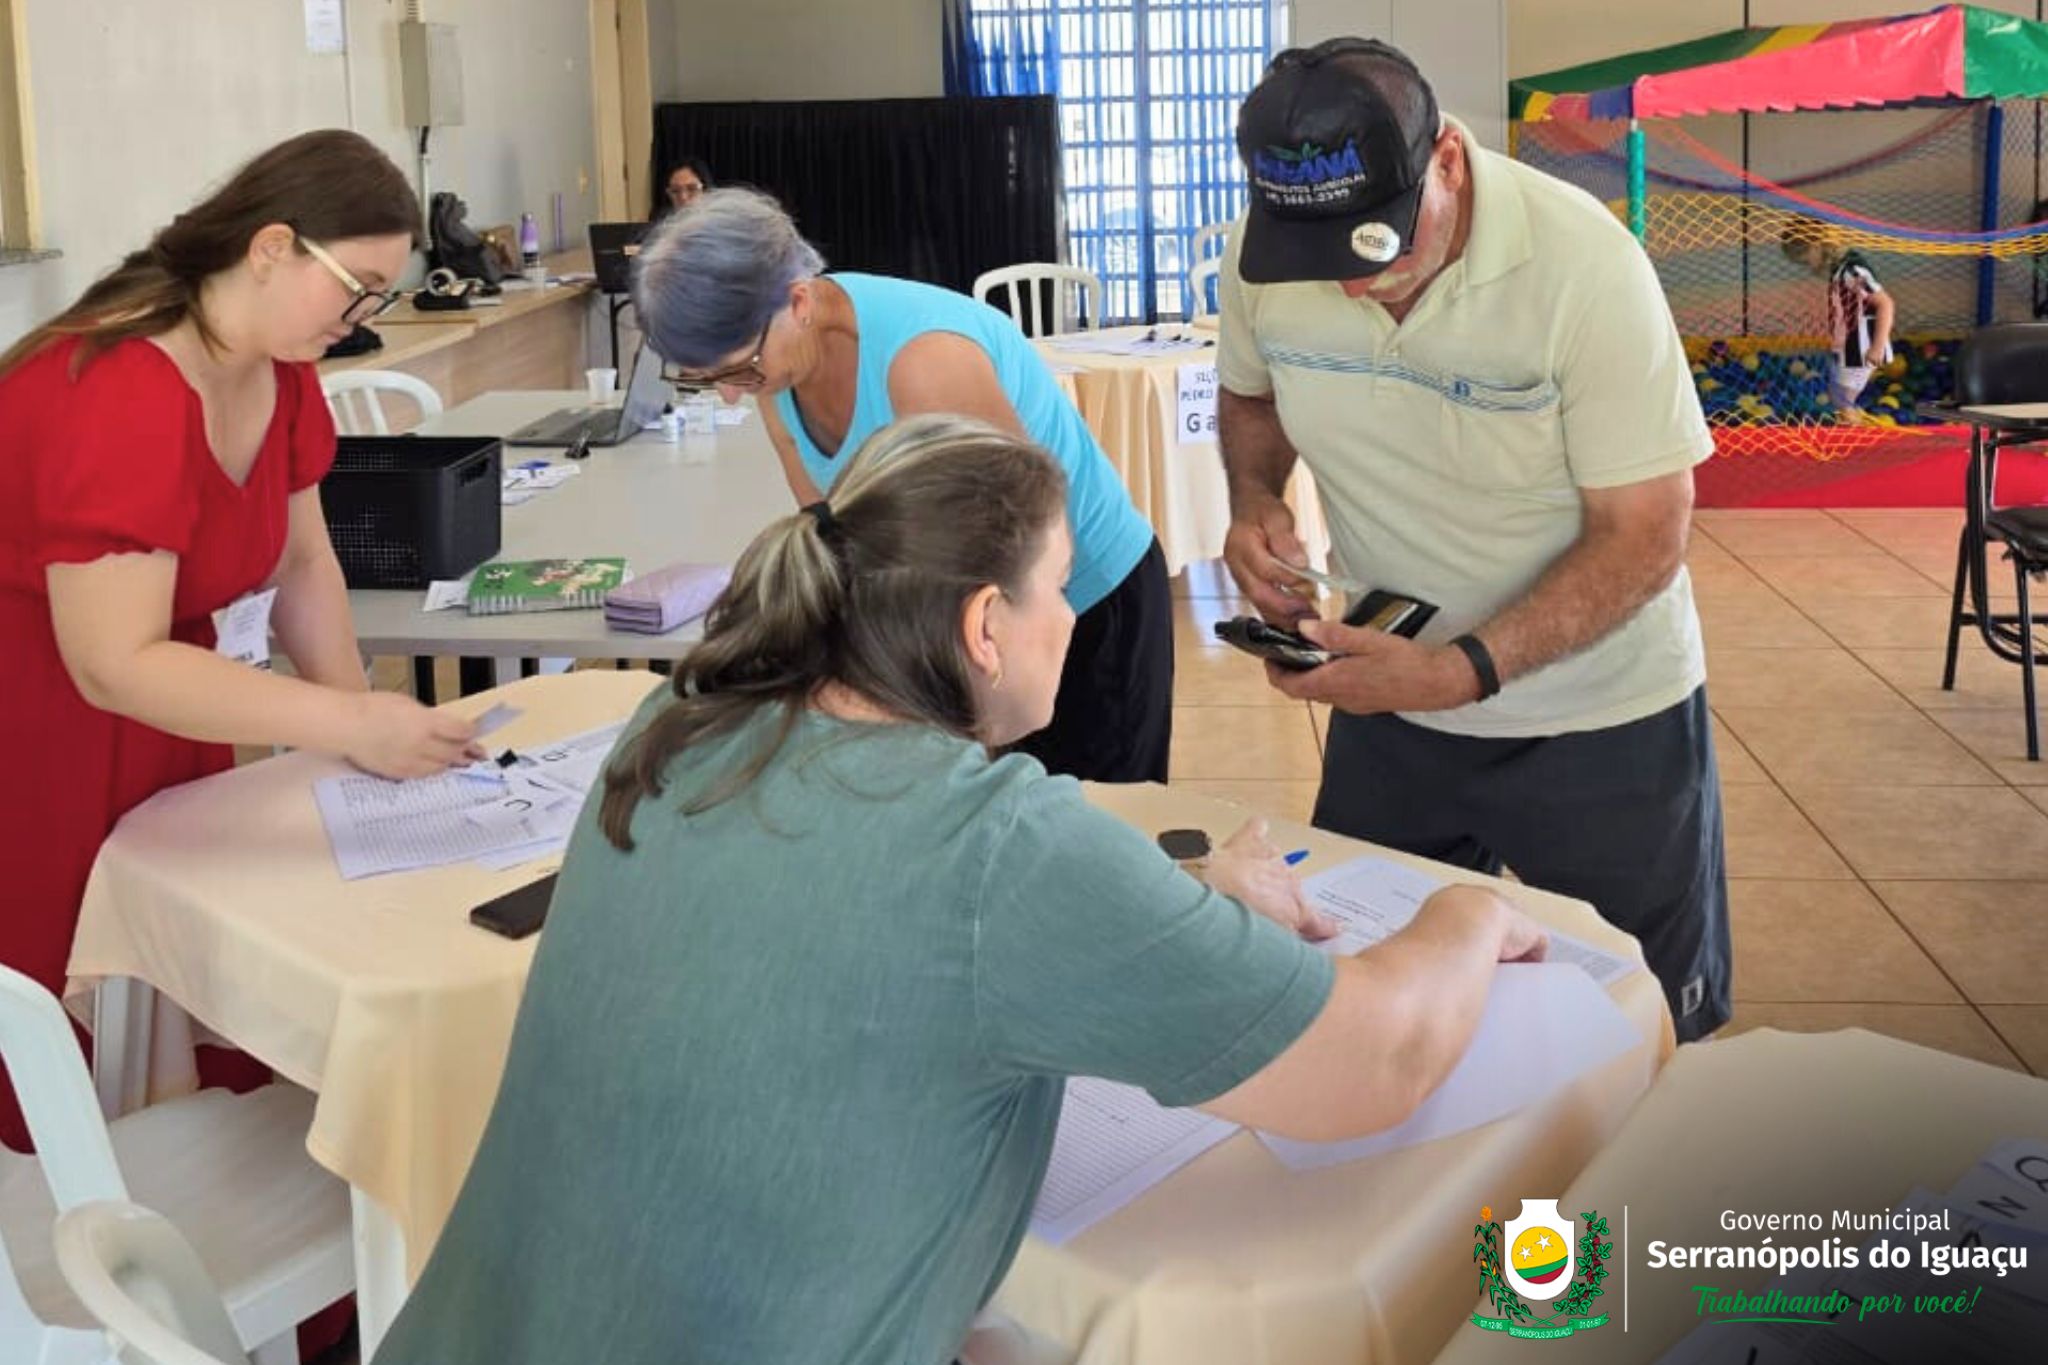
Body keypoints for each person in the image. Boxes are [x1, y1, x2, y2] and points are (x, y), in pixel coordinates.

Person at [369, 415, 1548, 1365]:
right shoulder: (995, 848)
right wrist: (1462, 911)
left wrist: (1186, 890)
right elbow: (1376, 1060)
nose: (1072, 619)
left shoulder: (676, 724)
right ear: (986, 624)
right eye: (1058, 587)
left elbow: (862, 912)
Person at [1216, 38, 1732, 1042]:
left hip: (1597, 718)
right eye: (1324, 258)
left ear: (1445, 160)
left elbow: (1644, 534)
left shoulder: (1584, 266)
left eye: (1378, 243)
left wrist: (1461, 672)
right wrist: (1253, 498)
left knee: (1642, 1032)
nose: (1354, 286)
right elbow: (1250, 393)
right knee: (1373, 1009)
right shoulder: (1268, 256)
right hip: (1388, 699)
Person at [0, 129, 481, 1152]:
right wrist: (345, 724)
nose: (358, 323)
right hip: (47, 734)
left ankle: (198, 1204)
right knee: (80, 1021)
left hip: (177, 706)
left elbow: (303, 566)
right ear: (271, 247)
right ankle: (100, 1229)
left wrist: (359, 728)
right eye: (355, 291)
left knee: (181, 982)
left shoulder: (277, 366)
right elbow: (110, 661)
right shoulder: (118, 390)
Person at [631, 187, 1175, 782]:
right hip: (974, 621)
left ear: (798, 301)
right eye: (708, 378)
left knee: (1091, 812)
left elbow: (1027, 544)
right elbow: (835, 536)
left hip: (1081, 604)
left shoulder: (924, 361)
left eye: (740, 369)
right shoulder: (774, 370)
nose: (732, 393)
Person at [1782, 218, 1896, 412]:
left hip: (1861, 347)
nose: (1807, 265)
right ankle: (1855, 423)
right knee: (1840, 400)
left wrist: (1877, 347)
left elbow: (1885, 304)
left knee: (1843, 403)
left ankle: (1856, 428)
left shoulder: (1851, 270)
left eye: (1805, 259)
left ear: (1816, 247)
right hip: (1850, 345)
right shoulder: (1839, 270)